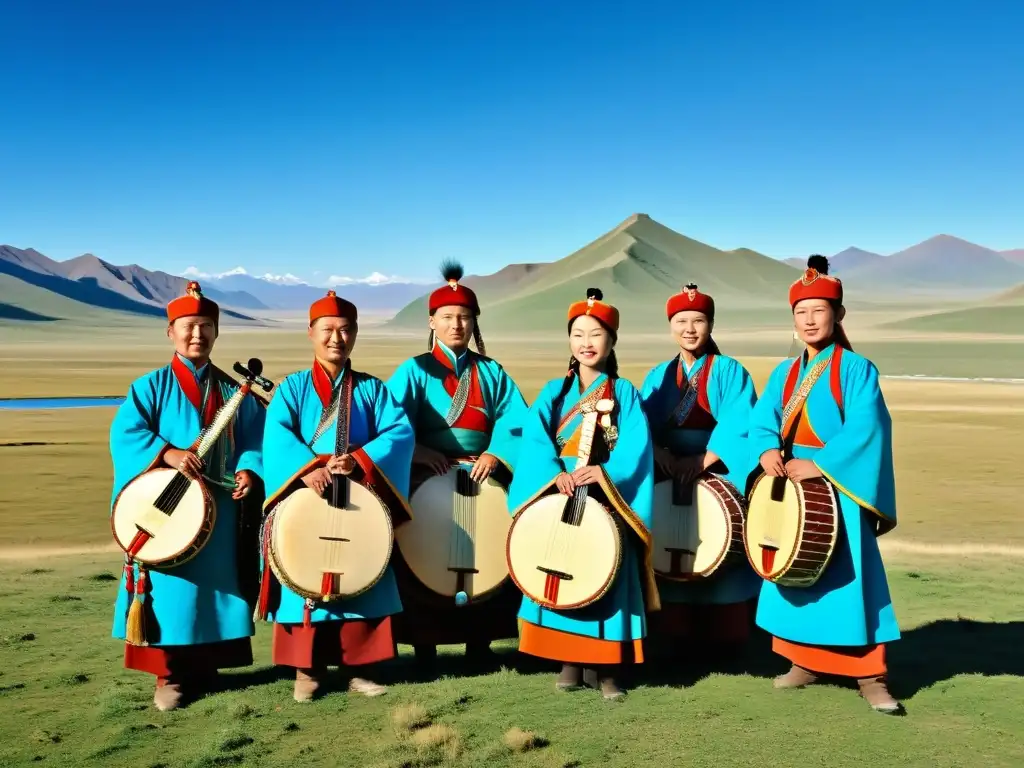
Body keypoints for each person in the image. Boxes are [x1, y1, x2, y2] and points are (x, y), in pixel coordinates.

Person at [747, 255, 901, 713]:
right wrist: (767, 451)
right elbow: (762, 421)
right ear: (793, 321)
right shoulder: (784, 374)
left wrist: (824, 465)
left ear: (838, 314)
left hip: (839, 486)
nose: (810, 319)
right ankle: (804, 662)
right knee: (794, 574)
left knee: (851, 579)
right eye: (801, 312)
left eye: (818, 310)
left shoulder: (856, 369)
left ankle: (869, 674)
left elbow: (867, 427)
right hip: (792, 485)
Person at [109, 281, 266, 711]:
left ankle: (208, 666)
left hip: (218, 509)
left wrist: (251, 469)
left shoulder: (235, 391)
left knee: (213, 587)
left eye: (206, 327)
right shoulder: (150, 386)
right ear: (170, 332)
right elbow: (126, 434)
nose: (198, 335)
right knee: (171, 586)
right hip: (168, 506)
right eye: (188, 327)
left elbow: (256, 434)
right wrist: (168, 452)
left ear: (217, 333)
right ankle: (170, 674)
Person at [256, 291, 416, 702]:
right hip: (305, 499)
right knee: (301, 572)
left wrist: (361, 459)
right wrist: (311, 469)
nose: (336, 338)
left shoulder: (373, 390)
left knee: (363, 575)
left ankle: (360, 668)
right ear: (310, 333)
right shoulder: (291, 389)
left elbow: (399, 432)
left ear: (356, 334)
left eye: (345, 330)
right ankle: (307, 671)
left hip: (357, 498)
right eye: (327, 330)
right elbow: (276, 436)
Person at [508, 288, 658, 700]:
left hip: (607, 497)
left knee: (605, 573)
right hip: (562, 493)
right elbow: (535, 441)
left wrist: (605, 474)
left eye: (596, 333)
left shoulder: (624, 392)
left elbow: (635, 446)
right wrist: (553, 475)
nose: (586, 342)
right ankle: (569, 659)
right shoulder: (554, 392)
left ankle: (609, 669)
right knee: (562, 570)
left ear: (611, 341)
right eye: (578, 334)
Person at [386, 261, 528, 671]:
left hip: (481, 474)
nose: (456, 325)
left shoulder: (491, 371)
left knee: (488, 552)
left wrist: (496, 453)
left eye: (464, 317)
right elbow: (391, 424)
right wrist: (416, 451)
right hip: (426, 478)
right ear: (432, 321)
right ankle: (424, 646)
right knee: (419, 557)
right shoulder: (413, 370)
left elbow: (516, 421)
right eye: (447, 317)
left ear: (474, 322)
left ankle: (480, 644)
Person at [639, 284, 760, 660]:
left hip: (717, 472)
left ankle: (725, 643)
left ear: (710, 325)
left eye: (698, 320)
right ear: (670, 326)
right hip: (668, 472)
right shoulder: (659, 374)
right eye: (681, 321)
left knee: (721, 545)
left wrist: (704, 460)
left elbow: (741, 421)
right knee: (665, 550)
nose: (689, 328)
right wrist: (660, 452)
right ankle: (672, 640)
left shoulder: (729, 371)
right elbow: (638, 424)